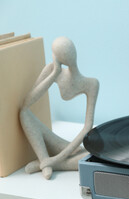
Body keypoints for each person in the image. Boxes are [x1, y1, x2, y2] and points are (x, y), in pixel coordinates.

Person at [20, 37, 99, 179]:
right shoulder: (52, 70)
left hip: (67, 148)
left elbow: (87, 127)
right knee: (24, 113)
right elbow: (27, 103)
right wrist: (55, 73)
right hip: (53, 141)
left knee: (91, 156)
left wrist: (55, 159)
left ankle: (47, 164)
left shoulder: (91, 84)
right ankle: (44, 159)